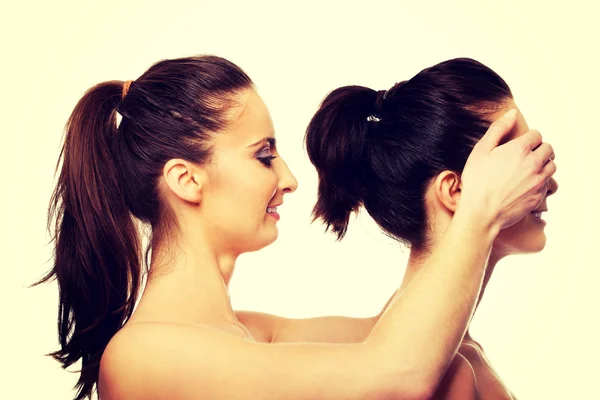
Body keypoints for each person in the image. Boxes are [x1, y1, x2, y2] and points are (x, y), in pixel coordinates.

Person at [37, 55, 555, 400]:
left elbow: (413, 339)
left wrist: (474, 216)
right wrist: (479, 211)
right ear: (186, 179)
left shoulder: (252, 333)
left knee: (461, 360)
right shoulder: (143, 353)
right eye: (264, 156)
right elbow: (397, 374)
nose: (287, 178)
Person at [304, 57, 559, 399]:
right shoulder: (450, 374)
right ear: (455, 191)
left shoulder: (463, 355)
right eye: (521, 158)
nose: (547, 182)